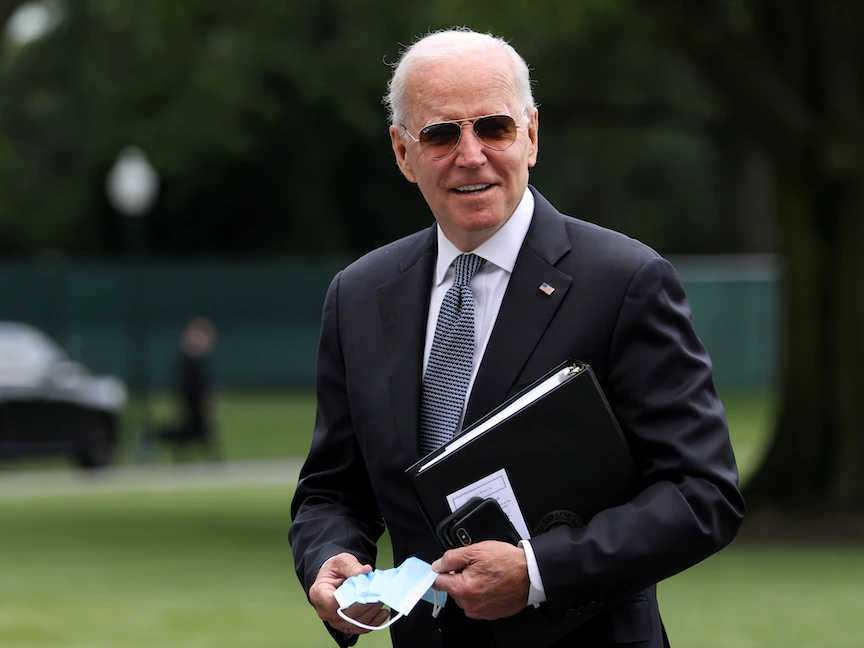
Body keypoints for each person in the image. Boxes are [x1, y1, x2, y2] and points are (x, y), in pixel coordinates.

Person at [289, 27, 744, 648]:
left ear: (530, 135)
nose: (471, 155)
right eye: (441, 134)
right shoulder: (359, 295)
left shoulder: (624, 281)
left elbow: (702, 495)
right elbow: (331, 491)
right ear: (402, 153)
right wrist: (329, 558)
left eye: (494, 128)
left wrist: (537, 572)